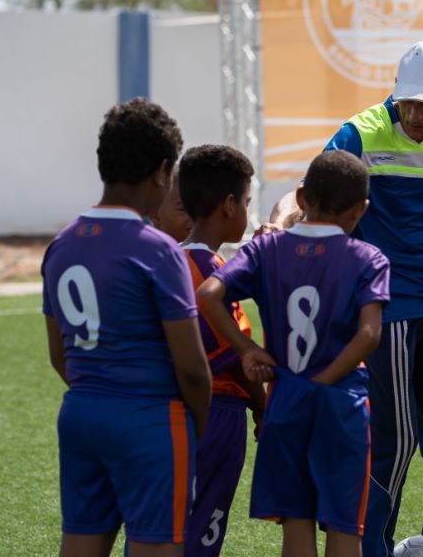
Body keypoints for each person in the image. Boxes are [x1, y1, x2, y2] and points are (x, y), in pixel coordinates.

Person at [268, 40, 423, 557]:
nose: (418, 115)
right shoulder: (361, 131)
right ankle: (371, 548)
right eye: (409, 103)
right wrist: (279, 221)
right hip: (388, 302)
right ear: (395, 95)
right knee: (394, 443)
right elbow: (308, 190)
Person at [198, 150, 390, 557]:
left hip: (285, 400)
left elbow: (208, 294)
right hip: (342, 406)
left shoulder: (265, 251)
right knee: (344, 527)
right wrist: (326, 379)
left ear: (302, 198)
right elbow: (369, 335)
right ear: (361, 210)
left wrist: (247, 349)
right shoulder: (368, 258)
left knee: (296, 524)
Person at [41, 98, 211, 556]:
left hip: (81, 414)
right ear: (161, 171)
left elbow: (60, 354)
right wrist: (197, 423)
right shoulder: (158, 249)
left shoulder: (61, 245)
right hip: (149, 421)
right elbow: (193, 368)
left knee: (79, 544)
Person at [177, 144, 267, 557]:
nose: (247, 211)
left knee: (160, 530)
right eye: (247, 202)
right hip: (216, 417)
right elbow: (237, 357)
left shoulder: (165, 262)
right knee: (201, 533)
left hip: (163, 411)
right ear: (229, 206)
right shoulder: (215, 275)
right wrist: (265, 407)